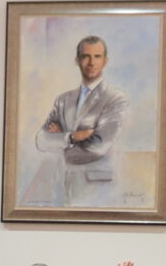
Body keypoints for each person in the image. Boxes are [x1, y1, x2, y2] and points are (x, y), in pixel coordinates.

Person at [37, 34, 128, 208]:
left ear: (105, 61)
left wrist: (59, 142)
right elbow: (41, 140)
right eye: (86, 56)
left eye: (97, 56)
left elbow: (98, 146)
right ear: (77, 60)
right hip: (64, 188)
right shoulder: (63, 100)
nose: (91, 62)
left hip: (99, 192)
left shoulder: (115, 99)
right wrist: (72, 137)